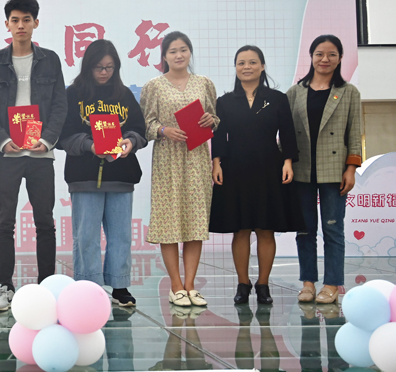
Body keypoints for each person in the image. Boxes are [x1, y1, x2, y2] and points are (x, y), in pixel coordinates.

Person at [0, 0, 67, 311]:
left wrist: (48, 140)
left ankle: (47, 287)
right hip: (7, 155)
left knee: (45, 223)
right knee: (5, 222)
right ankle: (5, 287)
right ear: (7, 24)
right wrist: (3, 140)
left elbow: (60, 105)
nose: (20, 25)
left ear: (35, 23)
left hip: (41, 154)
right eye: (14, 20)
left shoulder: (50, 60)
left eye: (26, 20)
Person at [209, 45, 303, 305]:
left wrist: (288, 161)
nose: (246, 67)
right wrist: (216, 163)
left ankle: (263, 284)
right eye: (241, 63)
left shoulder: (277, 98)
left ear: (262, 66)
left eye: (252, 62)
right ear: (235, 68)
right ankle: (243, 283)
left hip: (269, 168)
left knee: (265, 229)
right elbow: (219, 135)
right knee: (240, 229)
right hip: (234, 168)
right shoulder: (225, 101)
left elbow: (287, 132)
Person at [58, 40, 145, 307]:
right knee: (86, 236)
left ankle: (120, 285)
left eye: (109, 67)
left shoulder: (124, 95)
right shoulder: (73, 94)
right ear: (88, 67)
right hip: (84, 176)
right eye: (99, 67)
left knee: (120, 235)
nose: (104, 72)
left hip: (121, 175)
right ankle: (88, 286)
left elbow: (139, 129)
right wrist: (89, 145)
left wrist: (130, 141)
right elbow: (63, 135)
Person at [140, 31, 218, 307]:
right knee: (169, 222)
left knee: (195, 222)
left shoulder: (204, 83)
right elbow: (145, 124)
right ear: (164, 56)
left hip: (197, 159)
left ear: (190, 52)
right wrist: (163, 130)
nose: (179, 55)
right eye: (173, 51)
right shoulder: (154, 86)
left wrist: (211, 120)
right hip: (168, 160)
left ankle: (190, 285)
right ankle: (175, 286)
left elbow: (215, 118)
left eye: (183, 49)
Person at [287, 35, 362, 305]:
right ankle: (308, 283)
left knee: (333, 230)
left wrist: (351, 168)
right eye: (319, 54)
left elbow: (354, 132)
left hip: (334, 170)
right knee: (304, 230)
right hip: (302, 170)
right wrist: (284, 161)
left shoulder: (349, 92)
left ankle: (331, 284)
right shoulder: (295, 92)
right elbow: (286, 133)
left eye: (331, 54)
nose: (325, 59)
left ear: (340, 58)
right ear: (311, 57)